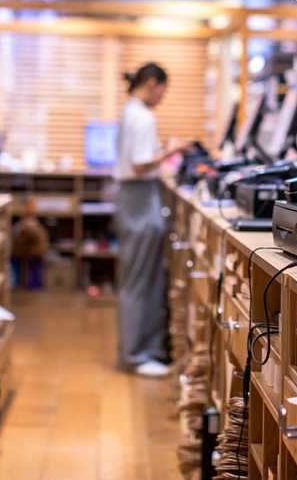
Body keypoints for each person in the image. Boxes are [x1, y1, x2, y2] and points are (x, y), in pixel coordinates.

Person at [114, 62, 182, 377]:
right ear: (153, 83)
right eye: (163, 91)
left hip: (139, 198)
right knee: (140, 279)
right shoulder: (141, 116)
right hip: (139, 197)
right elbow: (141, 164)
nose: (162, 98)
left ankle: (144, 350)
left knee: (145, 278)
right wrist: (170, 150)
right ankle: (136, 355)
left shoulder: (132, 112)